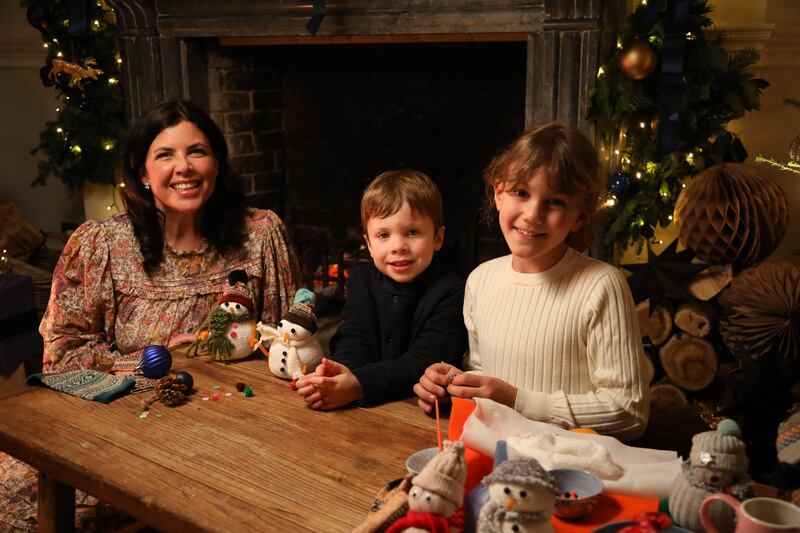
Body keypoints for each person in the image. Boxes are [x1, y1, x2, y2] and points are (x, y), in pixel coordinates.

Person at [0, 100, 301, 530]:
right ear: (142, 172)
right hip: (118, 429)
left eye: (197, 151)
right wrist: (153, 361)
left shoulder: (260, 236)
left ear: (217, 163)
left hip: (232, 428)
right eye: (165, 154)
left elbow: (291, 345)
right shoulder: (102, 244)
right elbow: (61, 359)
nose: (185, 167)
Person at [413, 123, 651, 441]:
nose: (532, 214)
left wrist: (517, 400)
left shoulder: (601, 286)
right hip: (495, 455)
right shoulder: (481, 281)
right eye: (521, 193)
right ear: (498, 193)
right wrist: (456, 384)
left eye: (555, 202)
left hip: (571, 471)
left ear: (580, 216)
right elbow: (487, 375)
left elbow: (629, 413)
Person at [296, 170, 468, 410]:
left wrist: (358, 384)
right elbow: (353, 337)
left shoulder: (452, 291)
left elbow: (424, 361)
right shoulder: (359, 281)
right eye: (384, 235)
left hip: (418, 412)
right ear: (369, 244)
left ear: (437, 238)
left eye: (412, 232)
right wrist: (342, 370)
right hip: (367, 410)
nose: (398, 246)